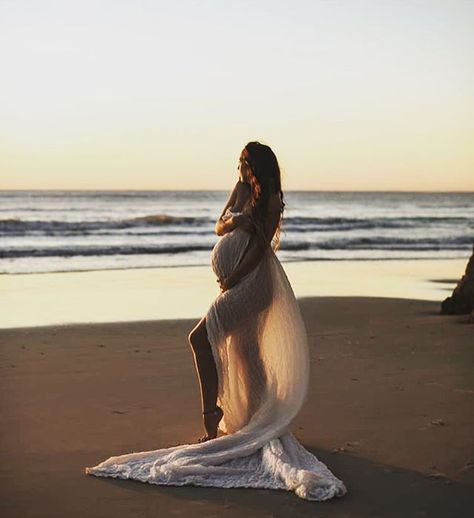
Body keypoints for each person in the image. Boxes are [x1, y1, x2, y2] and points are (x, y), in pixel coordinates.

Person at [85, 141, 347, 502]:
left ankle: (213, 419)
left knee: (200, 339)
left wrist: (235, 276)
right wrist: (238, 219)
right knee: (245, 351)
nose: (238, 169)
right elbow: (219, 226)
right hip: (240, 281)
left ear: (256, 166)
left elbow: (260, 249)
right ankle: (255, 421)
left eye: (243, 164)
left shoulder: (270, 200)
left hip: (254, 283)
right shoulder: (241, 192)